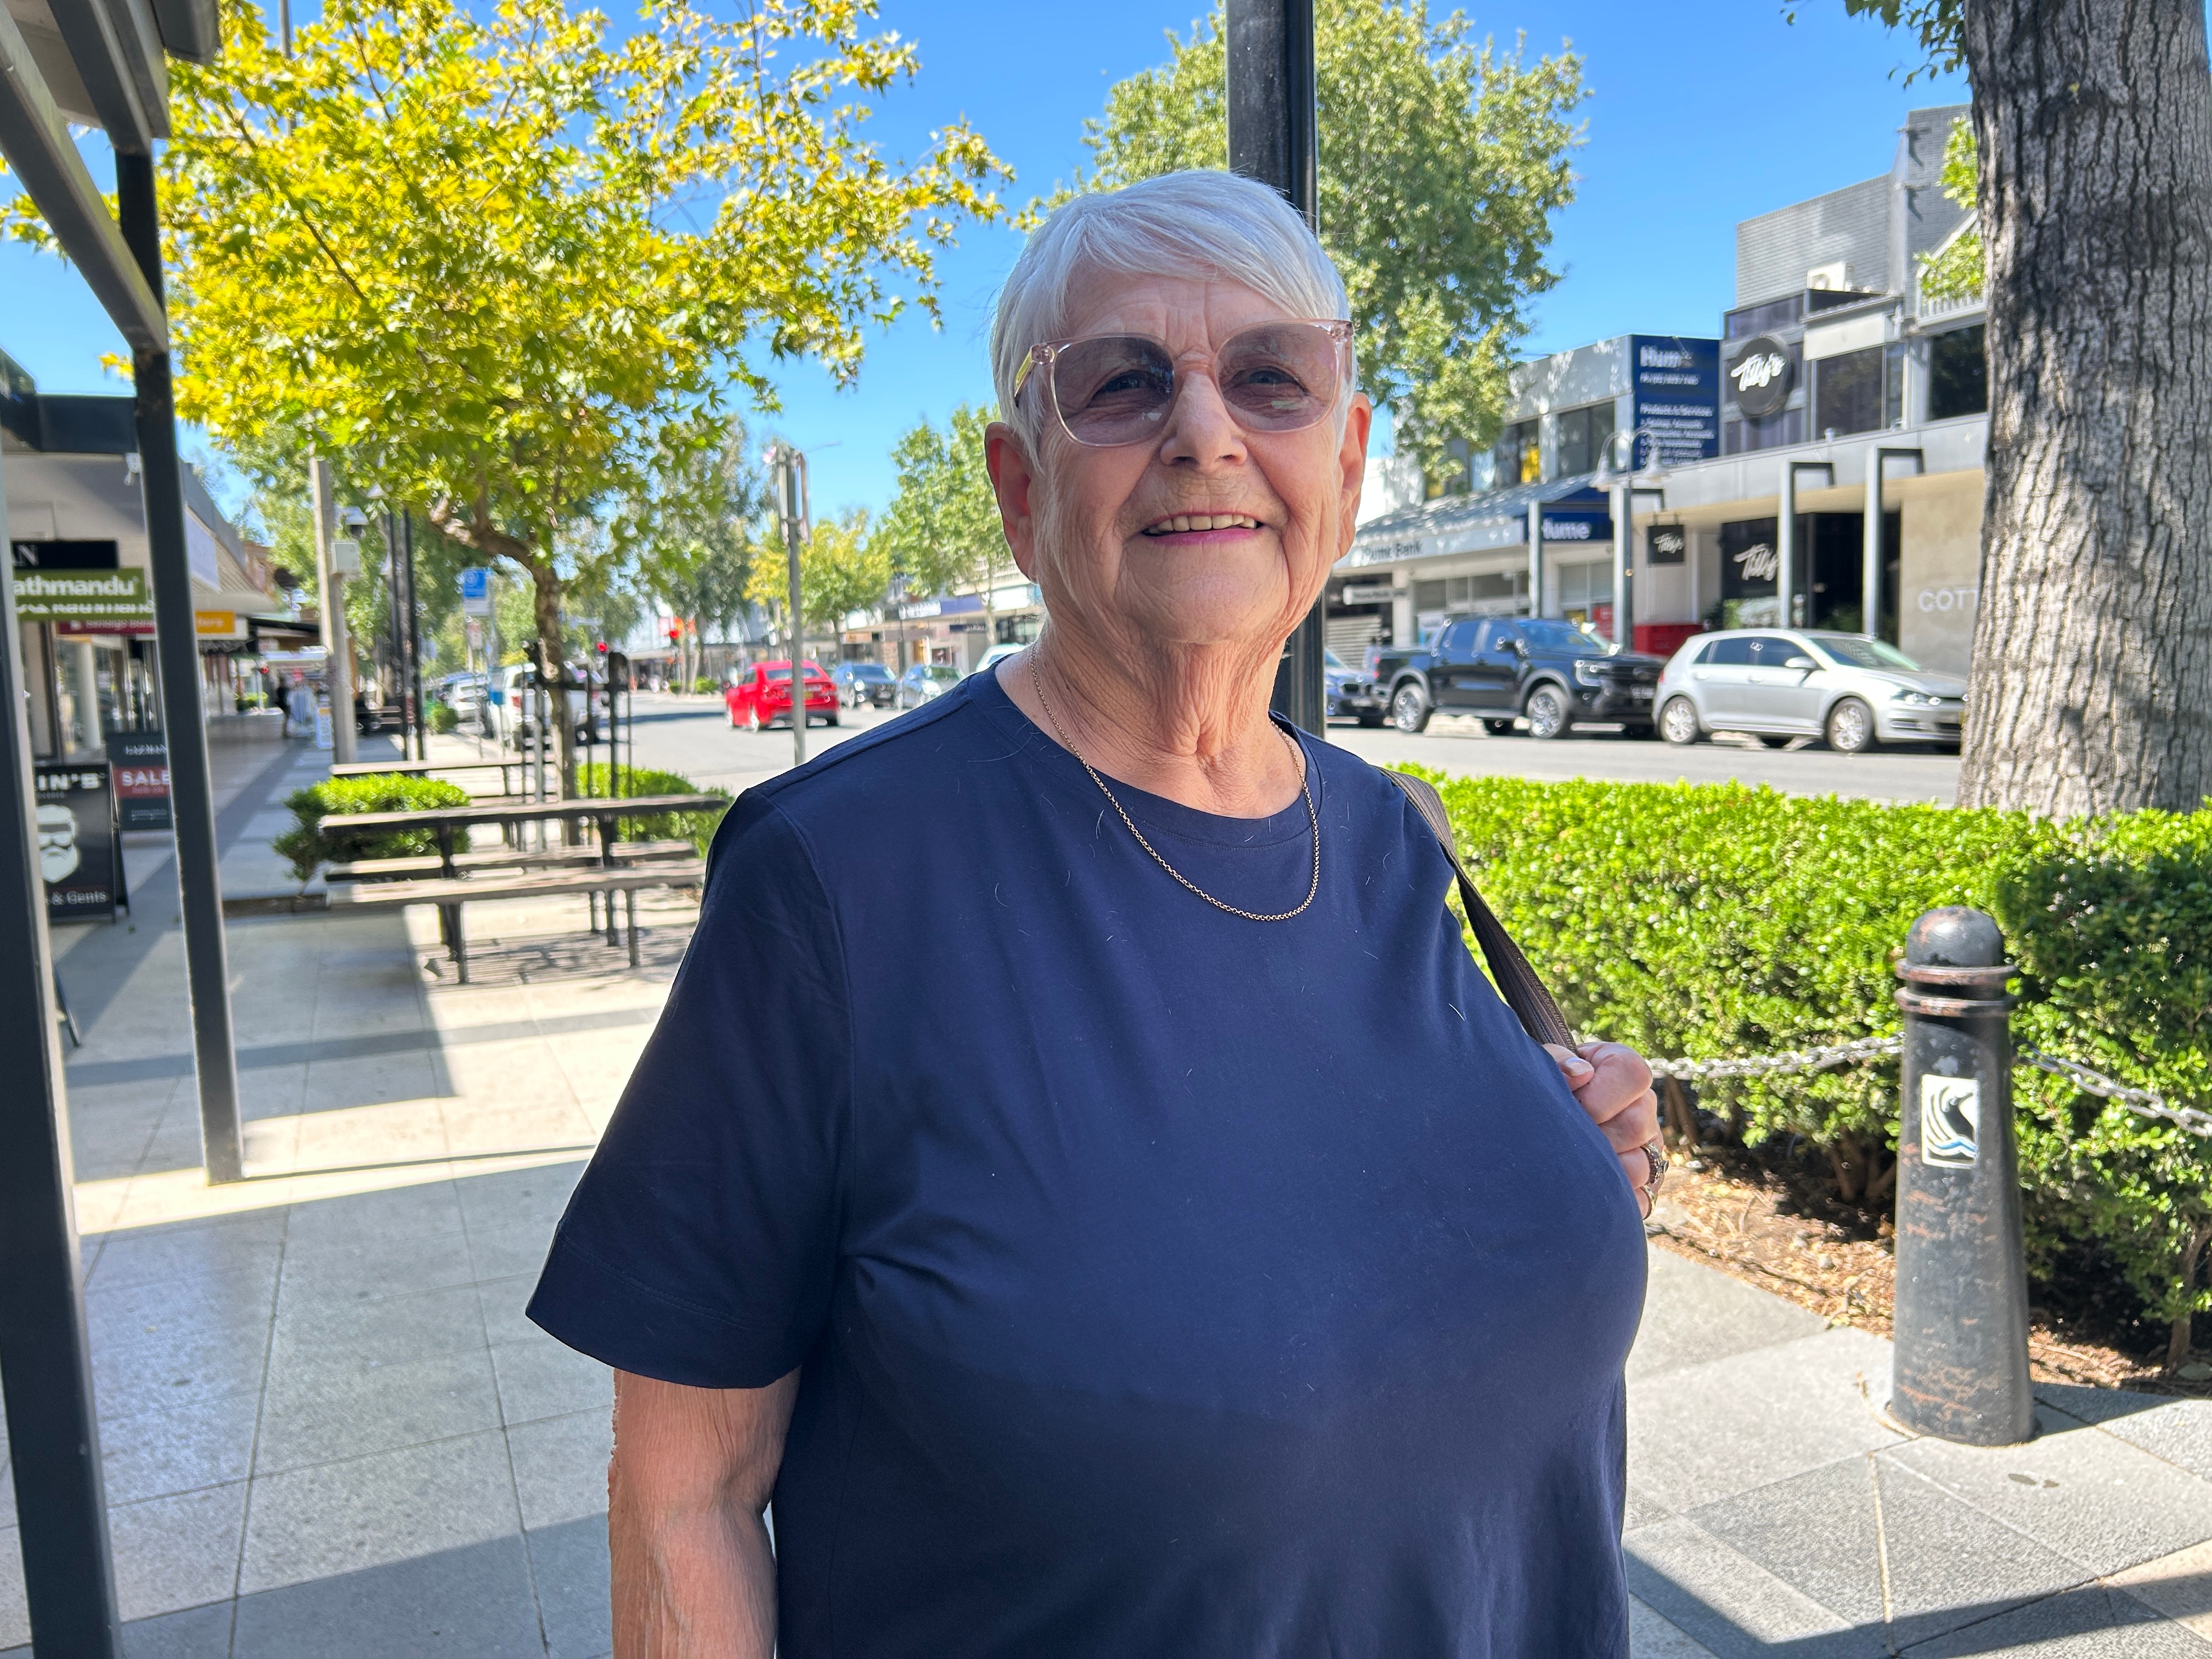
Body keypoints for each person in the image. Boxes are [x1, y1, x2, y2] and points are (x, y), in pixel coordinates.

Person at [529, 169, 1661, 1657]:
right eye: (1126, 385)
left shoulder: (1392, 834)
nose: (1207, 432)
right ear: (1019, 488)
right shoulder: (834, 880)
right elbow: (686, 1500)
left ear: (1349, 454)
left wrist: (1561, 1161)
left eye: (1271, 377)